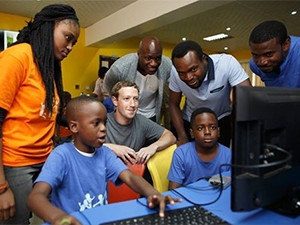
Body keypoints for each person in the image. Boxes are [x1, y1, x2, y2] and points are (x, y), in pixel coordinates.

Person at [27, 95, 181, 225]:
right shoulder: (61, 155)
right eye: (96, 123)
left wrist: (153, 193)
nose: (103, 129)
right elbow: (35, 197)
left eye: (105, 123)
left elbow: (129, 176)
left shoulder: (104, 153)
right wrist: (58, 217)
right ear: (74, 127)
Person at [0, 4, 80, 224]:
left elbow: (47, 115)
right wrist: (1, 188)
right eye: (68, 37)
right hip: (16, 164)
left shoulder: (49, 67)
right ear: (49, 27)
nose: (70, 47)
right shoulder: (17, 57)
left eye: (74, 42)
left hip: (45, 161)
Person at [169, 40, 251, 148]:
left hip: (220, 119)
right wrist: (182, 136)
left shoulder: (226, 63)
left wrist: (242, 133)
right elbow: (173, 104)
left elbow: (247, 98)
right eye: (182, 73)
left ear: (204, 60)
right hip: (190, 119)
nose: (188, 77)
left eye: (193, 69)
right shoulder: (175, 72)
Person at [103, 36, 175, 126]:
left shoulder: (166, 65)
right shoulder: (120, 68)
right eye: (148, 58)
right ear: (138, 54)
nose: (154, 63)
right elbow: (108, 86)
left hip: (152, 116)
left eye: (157, 58)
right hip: (129, 115)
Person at [105, 81, 176, 166]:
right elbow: (85, 145)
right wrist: (113, 148)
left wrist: (153, 147)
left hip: (131, 173)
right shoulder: (103, 120)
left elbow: (170, 136)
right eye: (126, 99)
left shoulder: (141, 121)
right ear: (115, 101)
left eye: (135, 99)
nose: (132, 104)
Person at [168, 107, 231, 189]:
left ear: (218, 132)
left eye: (212, 127)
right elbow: (174, 191)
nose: (207, 132)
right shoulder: (181, 154)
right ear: (192, 133)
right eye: (200, 128)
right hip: (189, 199)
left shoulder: (229, 155)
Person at [249, 20, 300, 87]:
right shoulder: (254, 65)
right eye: (255, 55)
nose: (261, 62)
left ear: (285, 45)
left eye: (268, 54)